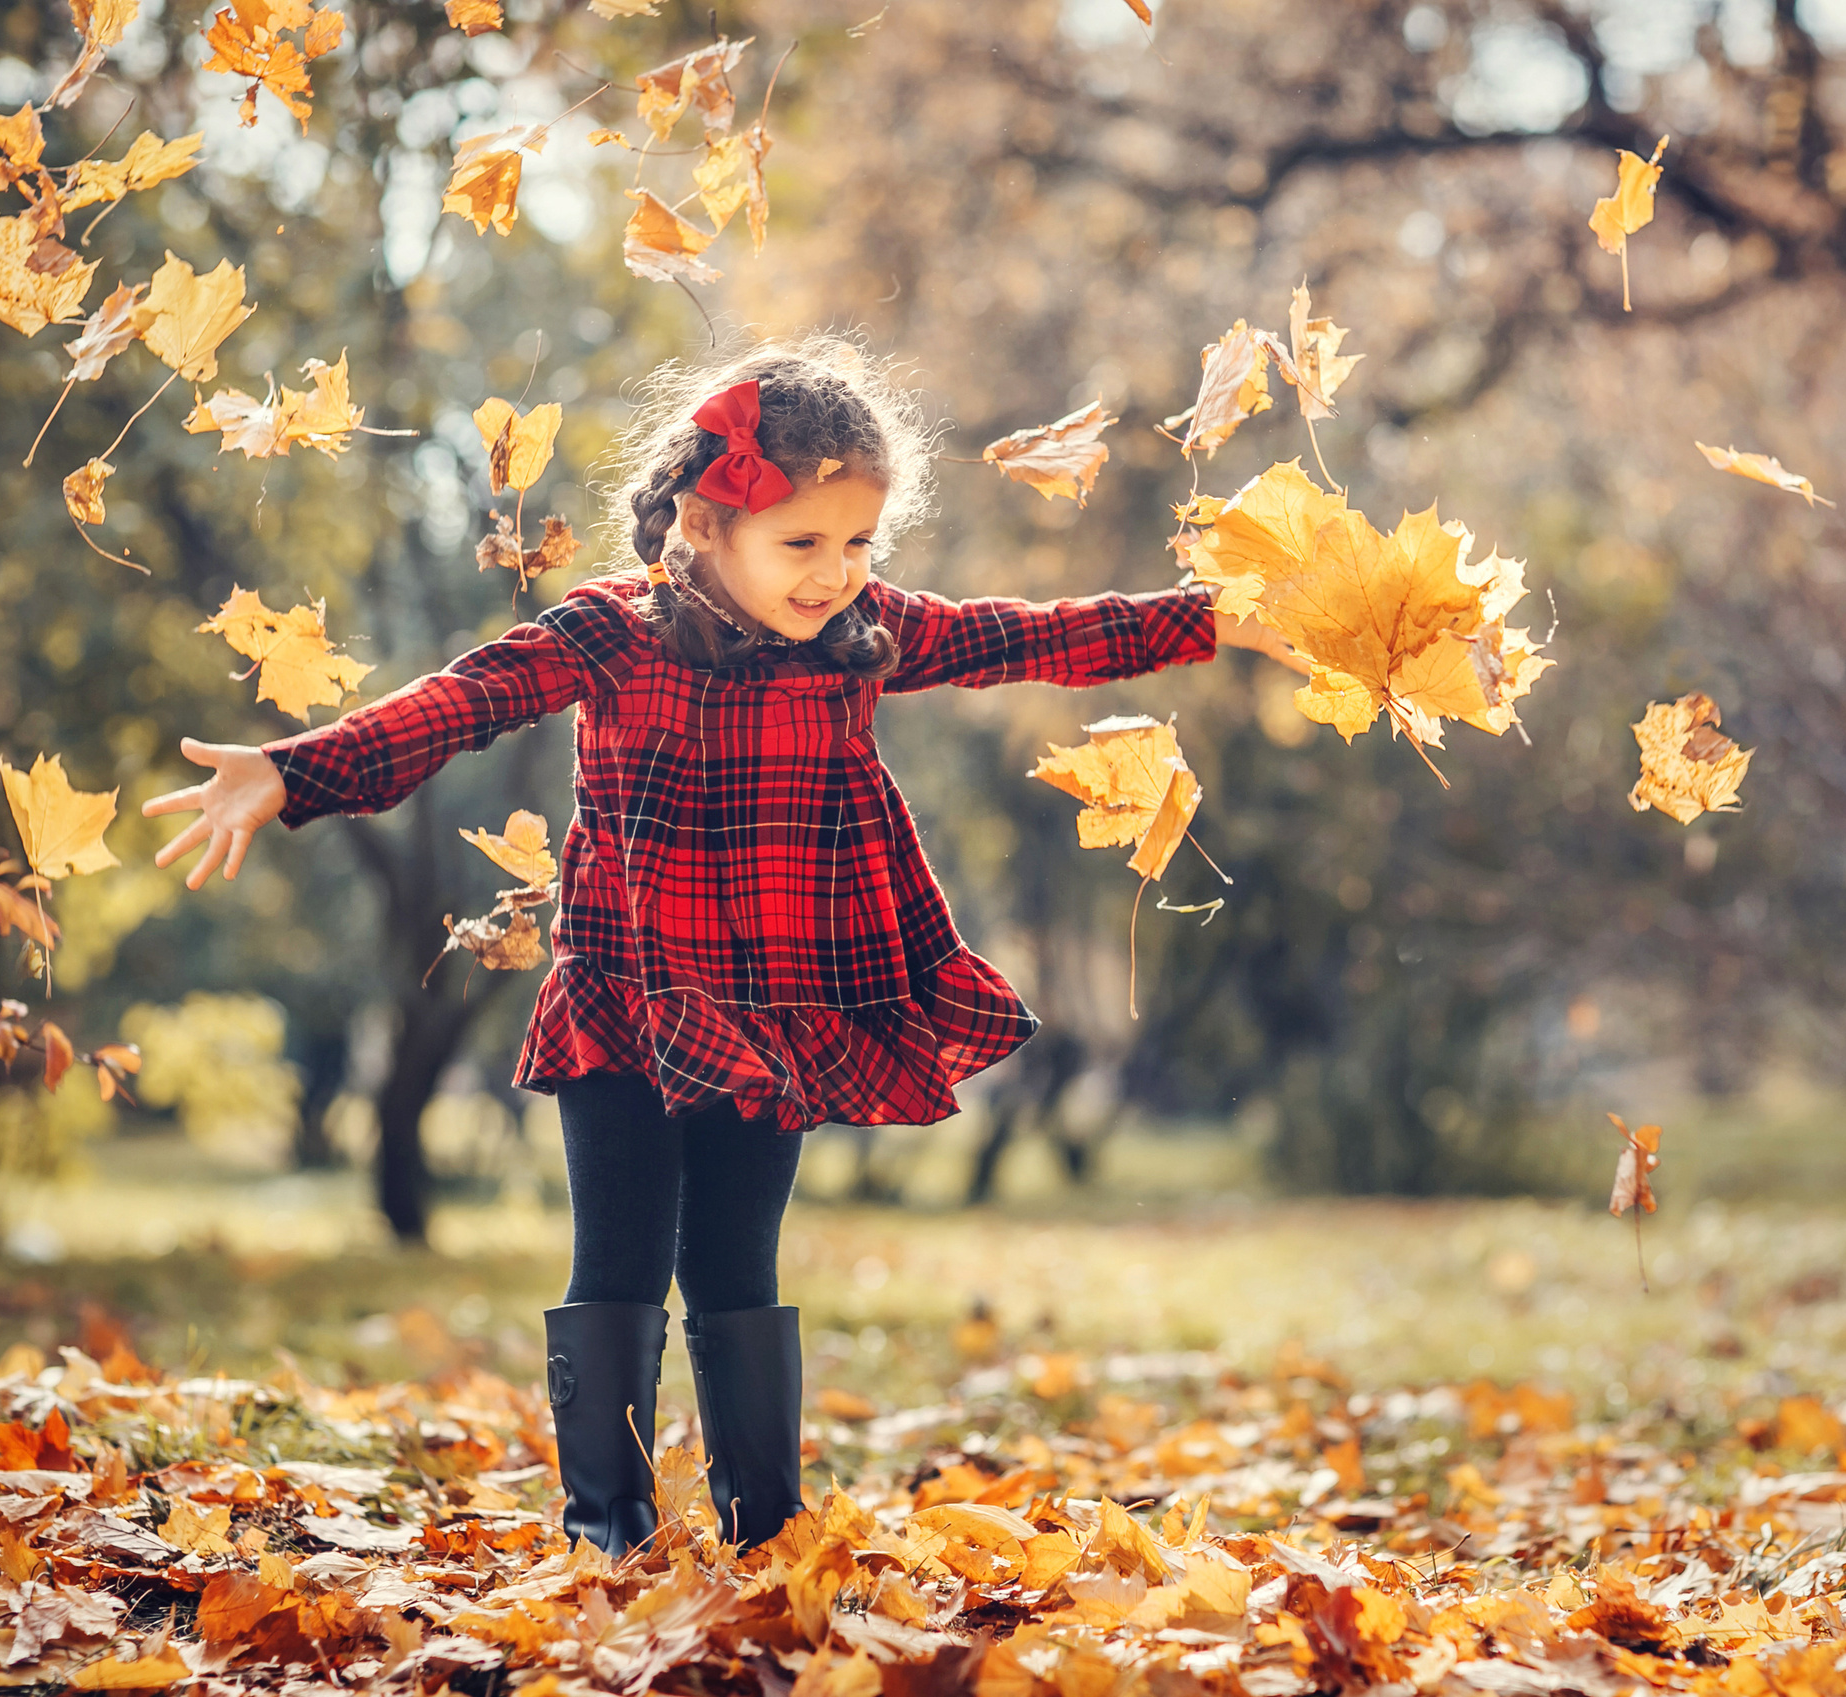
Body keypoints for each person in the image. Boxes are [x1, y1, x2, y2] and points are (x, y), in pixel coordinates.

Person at [141, 336, 1305, 1556]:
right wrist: (292, 768)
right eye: (802, 544)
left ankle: (764, 1536)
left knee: (739, 1265)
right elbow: (462, 700)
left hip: (775, 1013)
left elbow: (1033, 634)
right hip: (627, 1003)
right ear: (705, 524)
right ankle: (609, 1534)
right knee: (621, 1265)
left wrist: (1213, 617)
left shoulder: (863, 638)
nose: (835, 574)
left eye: (857, 544)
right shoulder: (614, 632)